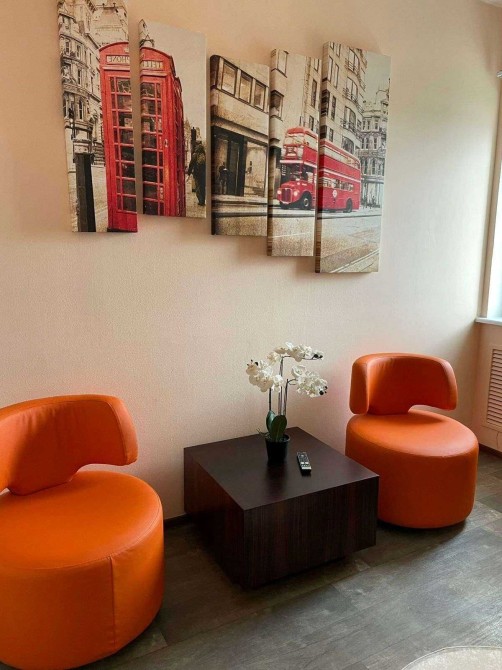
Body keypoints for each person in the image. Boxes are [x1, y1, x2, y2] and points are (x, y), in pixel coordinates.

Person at [187, 141, 206, 206]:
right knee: (202, 187)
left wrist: (188, 173)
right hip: (203, 174)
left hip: (197, 174)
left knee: (198, 187)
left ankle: (200, 202)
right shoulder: (204, 154)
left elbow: (191, 164)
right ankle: (203, 201)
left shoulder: (195, 154)